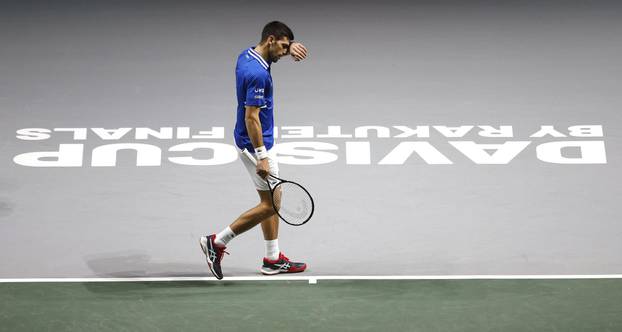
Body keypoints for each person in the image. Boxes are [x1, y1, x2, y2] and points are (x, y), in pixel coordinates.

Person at [200, 21, 309, 280]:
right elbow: (252, 118)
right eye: (283, 46)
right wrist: (262, 156)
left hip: (254, 140)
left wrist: (290, 45)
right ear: (271, 40)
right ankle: (216, 241)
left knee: (268, 201)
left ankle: (272, 259)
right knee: (273, 204)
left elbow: (274, 49)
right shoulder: (257, 74)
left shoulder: (248, 54)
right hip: (255, 145)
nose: (285, 52)